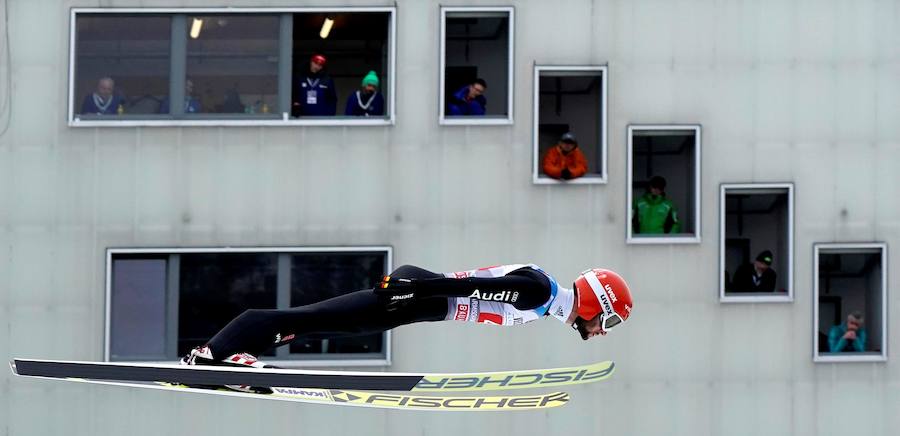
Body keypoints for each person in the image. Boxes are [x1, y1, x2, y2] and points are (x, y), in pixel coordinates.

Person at [180, 264, 634, 391]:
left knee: (317, 327)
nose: (602, 330)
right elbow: (471, 286)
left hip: (417, 303)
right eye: (608, 320)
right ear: (598, 302)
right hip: (415, 296)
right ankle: (213, 352)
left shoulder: (546, 298)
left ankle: (233, 358)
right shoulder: (540, 293)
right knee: (311, 318)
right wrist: (410, 288)